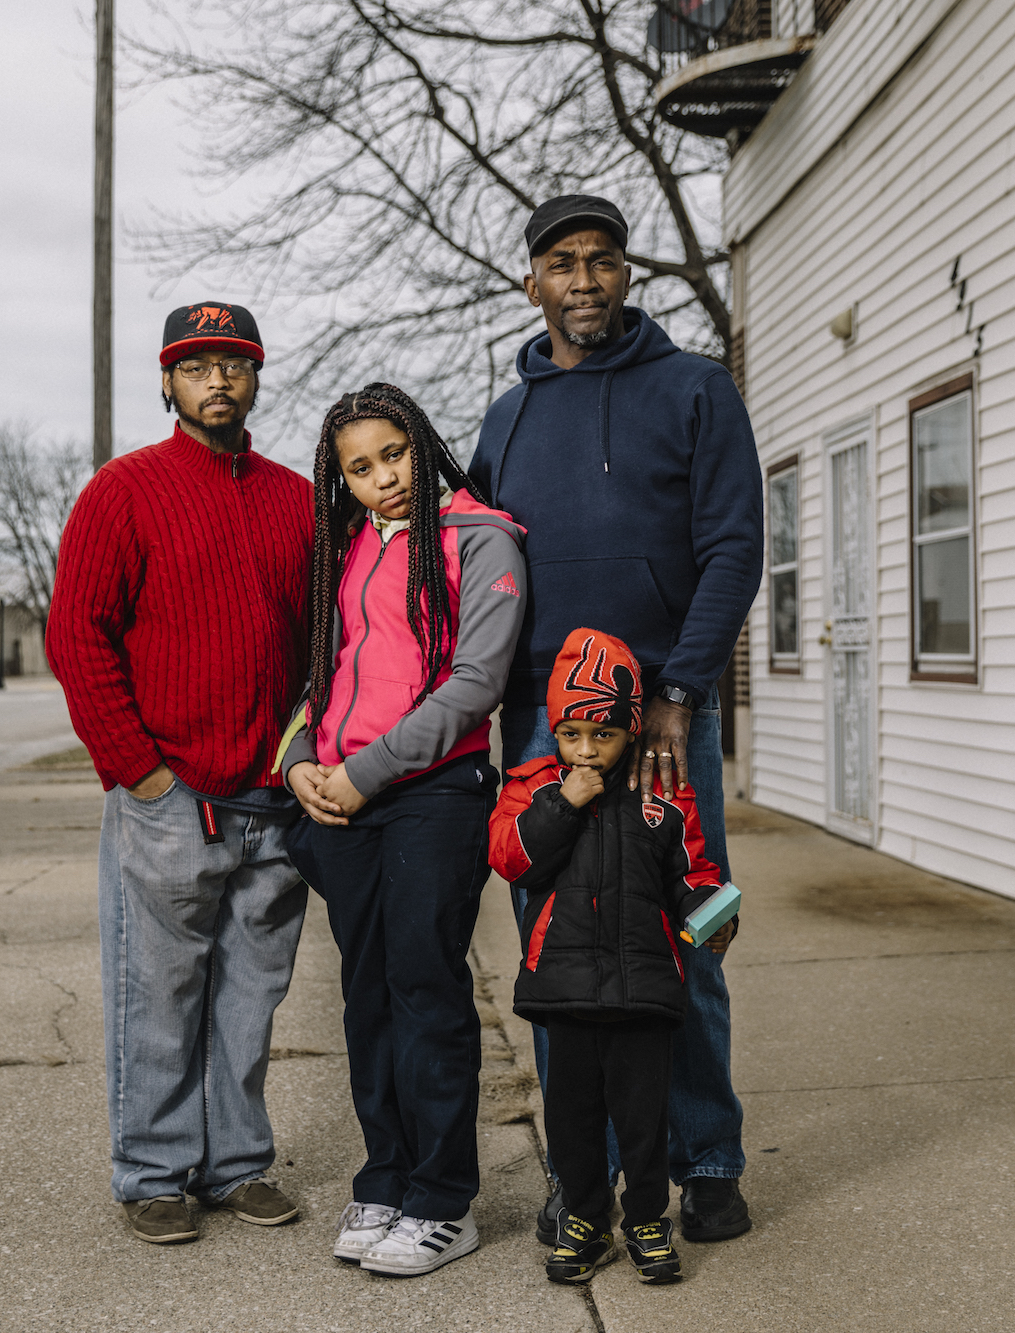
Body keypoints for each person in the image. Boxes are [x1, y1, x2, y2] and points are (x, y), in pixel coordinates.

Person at [466, 194, 764, 1243]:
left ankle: (706, 1157)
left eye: (599, 260)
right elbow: (470, 566)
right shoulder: (504, 419)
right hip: (540, 723)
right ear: (530, 282)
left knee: (682, 927)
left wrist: (679, 690)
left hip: (661, 714)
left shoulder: (693, 390)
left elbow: (732, 547)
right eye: (560, 262)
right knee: (556, 951)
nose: (582, 279)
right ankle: (581, 1178)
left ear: (623, 274)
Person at [47, 302, 313, 1246]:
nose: (217, 381)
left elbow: (325, 642)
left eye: (234, 364)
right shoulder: (122, 492)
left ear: (255, 378)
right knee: (158, 994)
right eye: (196, 366)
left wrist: (304, 759)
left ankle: (236, 1163)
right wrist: (140, 772)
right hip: (172, 797)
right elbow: (77, 636)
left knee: (250, 996)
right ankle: (153, 1171)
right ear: (168, 382)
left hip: (272, 802)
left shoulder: (296, 498)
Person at [280, 383, 528, 1277]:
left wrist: (363, 771)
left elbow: (474, 685)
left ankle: (441, 1201)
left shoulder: (481, 539)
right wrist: (301, 755)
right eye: (360, 467)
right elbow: (329, 668)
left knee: (426, 987)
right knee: (368, 992)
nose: (383, 478)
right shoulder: (351, 550)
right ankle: (384, 1179)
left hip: (432, 795)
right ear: (339, 480)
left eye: (395, 454)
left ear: (424, 446)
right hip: (344, 801)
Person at [490, 628, 728, 1286]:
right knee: (572, 1118)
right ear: (554, 732)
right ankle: (585, 1220)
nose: (587, 750)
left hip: (642, 987)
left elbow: (693, 868)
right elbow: (511, 857)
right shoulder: (533, 786)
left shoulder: (662, 793)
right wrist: (564, 805)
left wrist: (710, 909)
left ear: (631, 731)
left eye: (604, 734)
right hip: (563, 988)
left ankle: (648, 1218)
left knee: (643, 1113)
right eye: (571, 733)